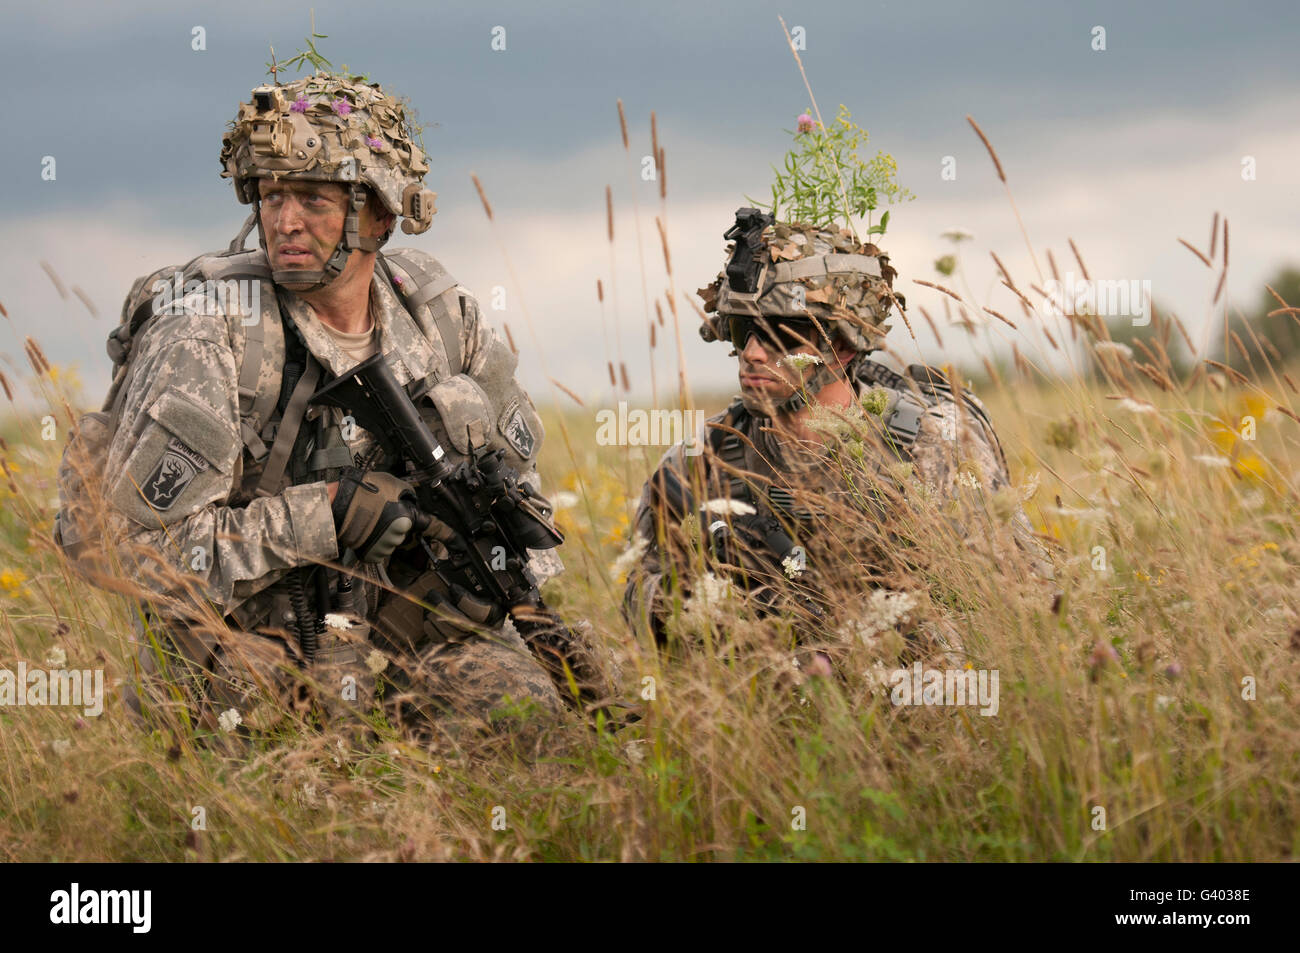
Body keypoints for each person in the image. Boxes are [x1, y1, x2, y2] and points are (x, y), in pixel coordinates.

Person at [55, 71, 608, 752]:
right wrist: (327, 515)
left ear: (378, 214)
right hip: (249, 647)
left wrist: (473, 553)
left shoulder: (440, 318)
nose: (284, 221)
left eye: (313, 199)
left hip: (398, 641)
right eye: (270, 195)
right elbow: (129, 550)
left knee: (527, 721)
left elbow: (521, 499)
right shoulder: (210, 331)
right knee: (274, 756)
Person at [622, 208, 1050, 672]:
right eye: (743, 331)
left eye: (779, 334)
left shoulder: (930, 445)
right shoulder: (697, 463)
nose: (752, 353)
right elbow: (639, 598)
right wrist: (708, 604)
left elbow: (1026, 591)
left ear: (842, 347)